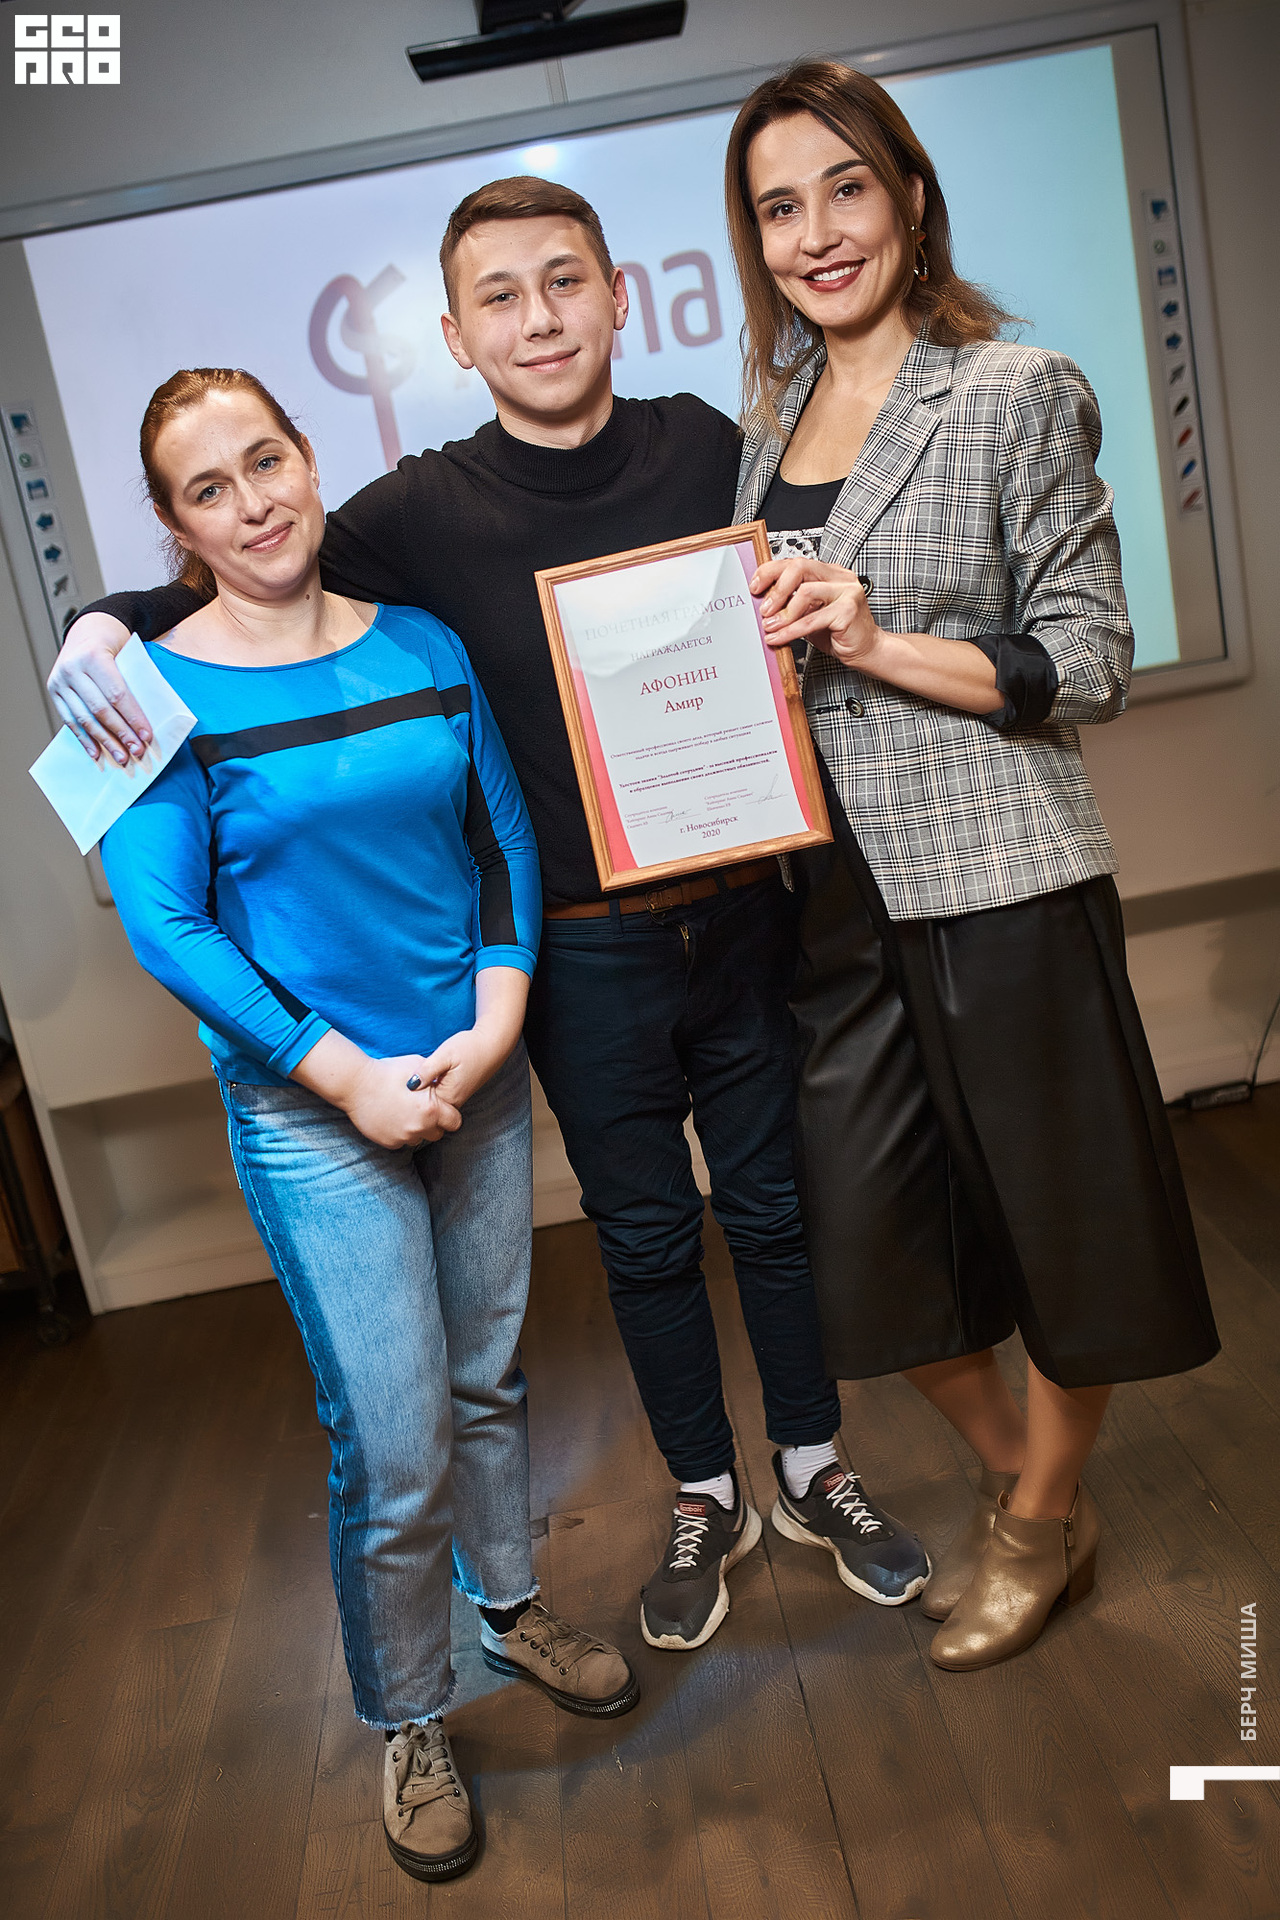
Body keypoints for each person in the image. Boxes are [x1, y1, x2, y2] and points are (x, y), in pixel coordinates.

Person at [50, 177, 931, 1651]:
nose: (541, 319)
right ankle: (705, 1492)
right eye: (501, 298)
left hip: (745, 908)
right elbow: (249, 574)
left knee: (777, 1206)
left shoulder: (708, 447)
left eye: (566, 281)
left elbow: (801, 572)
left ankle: (812, 1464)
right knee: (643, 1235)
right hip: (578, 952)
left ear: (621, 294)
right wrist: (100, 623)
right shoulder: (411, 516)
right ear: (454, 337)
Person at [99, 366, 638, 1883]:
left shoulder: (423, 641)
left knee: (488, 1382)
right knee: (394, 1446)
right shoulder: (145, 698)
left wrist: (500, 1015)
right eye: (209, 490)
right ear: (177, 527)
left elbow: (499, 833)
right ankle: (411, 1713)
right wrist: (343, 1076)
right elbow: (163, 925)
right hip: (312, 1113)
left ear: (310, 459)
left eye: (266, 461)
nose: (254, 503)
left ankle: (509, 1607)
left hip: (473, 1071)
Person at [722, 60, 1220, 1670]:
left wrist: (875, 638)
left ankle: (1034, 1519)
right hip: (827, 897)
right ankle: (1033, 1492)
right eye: (778, 207)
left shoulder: (1016, 388)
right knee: (873, 1252)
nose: (815, 233)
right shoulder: (766, 421)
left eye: (844, 188)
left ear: (911, 197)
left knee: (1067, 1225)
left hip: (1001, 874)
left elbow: (1088, 661)